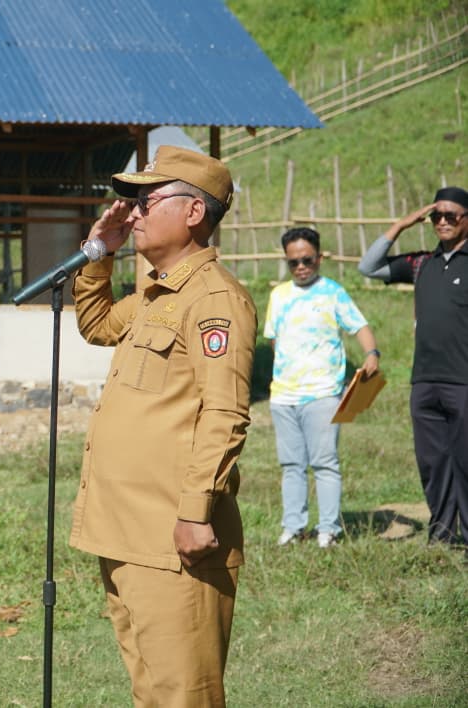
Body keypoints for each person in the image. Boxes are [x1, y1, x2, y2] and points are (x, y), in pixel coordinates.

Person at [70, 146, 256, 706]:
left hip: (175, 540)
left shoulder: (215, 298)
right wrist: (98, 253)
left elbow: (225, 414)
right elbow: (97, 324)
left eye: (146, 200)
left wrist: (195, 513)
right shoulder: (155, 293)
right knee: (150, 691)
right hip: (126, 533)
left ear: (193, 213)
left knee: (184, 696)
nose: (134, 212)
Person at [358, 186, 468, 545]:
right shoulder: (421, 263)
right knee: (433, 462)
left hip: (463, 381)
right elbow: (368, 267)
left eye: (451, 215)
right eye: (436, 215)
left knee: (465, 461)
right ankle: (442, 533)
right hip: (424, 382)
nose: (442, 222)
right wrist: (400, 226)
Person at [265, 228, 380, 548]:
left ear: (319, 258)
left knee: (324, 462)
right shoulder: (279, 295)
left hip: (323, 394)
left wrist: (372, 354)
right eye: (294, 262)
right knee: (291, 465)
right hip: (283, 395)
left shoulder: (333, 293)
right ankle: (293, 527)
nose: (301, 267)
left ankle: (328, 529)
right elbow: (275, 338)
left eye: (307, 260)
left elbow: (360, 326)